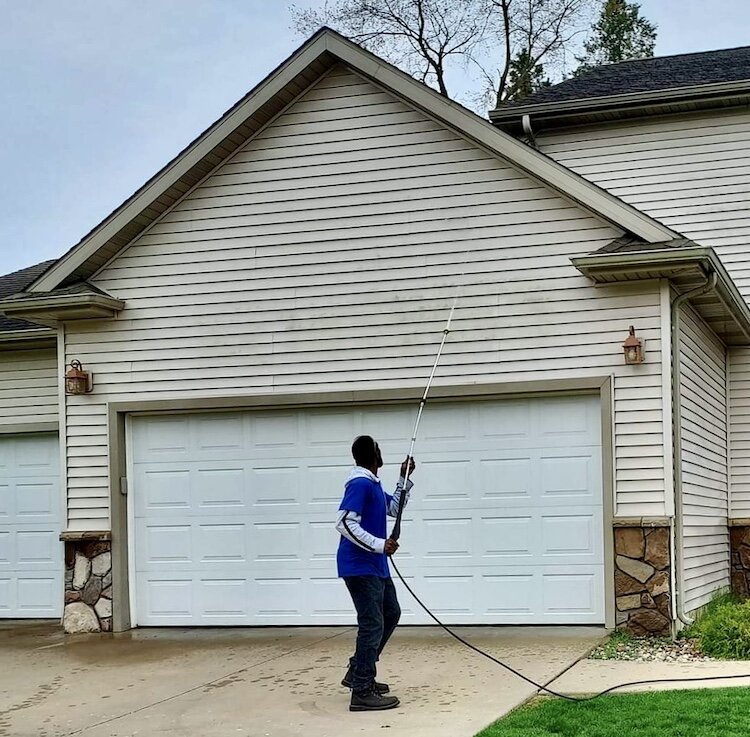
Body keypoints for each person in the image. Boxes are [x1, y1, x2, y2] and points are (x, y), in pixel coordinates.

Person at [335, 435, 416, 712]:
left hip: (375, 566)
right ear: (373, 455)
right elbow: (344, 522)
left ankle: (359, 670)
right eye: (379, 449)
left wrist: (403, 479)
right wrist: (380, 544)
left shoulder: (372, 484)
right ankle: (362, 690)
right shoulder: (359, 483)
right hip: (359, 566)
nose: (382, 453)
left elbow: (393, 508)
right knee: (372, 624)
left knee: (390, 613)